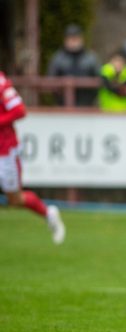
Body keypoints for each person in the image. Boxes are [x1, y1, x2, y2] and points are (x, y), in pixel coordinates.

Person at [0, 71, 65, 244]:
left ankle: (48, 213)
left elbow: (19, 110)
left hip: (5, 150)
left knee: (14, 199)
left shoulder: (1, 83)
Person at [47, 24, 99, 106]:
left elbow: (97, 79)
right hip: (63, 105)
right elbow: (51, 80)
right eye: (70, 39)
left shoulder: (90, 58)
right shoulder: (58, 58)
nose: (73, 42)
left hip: (86, 104)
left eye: (75, 39)